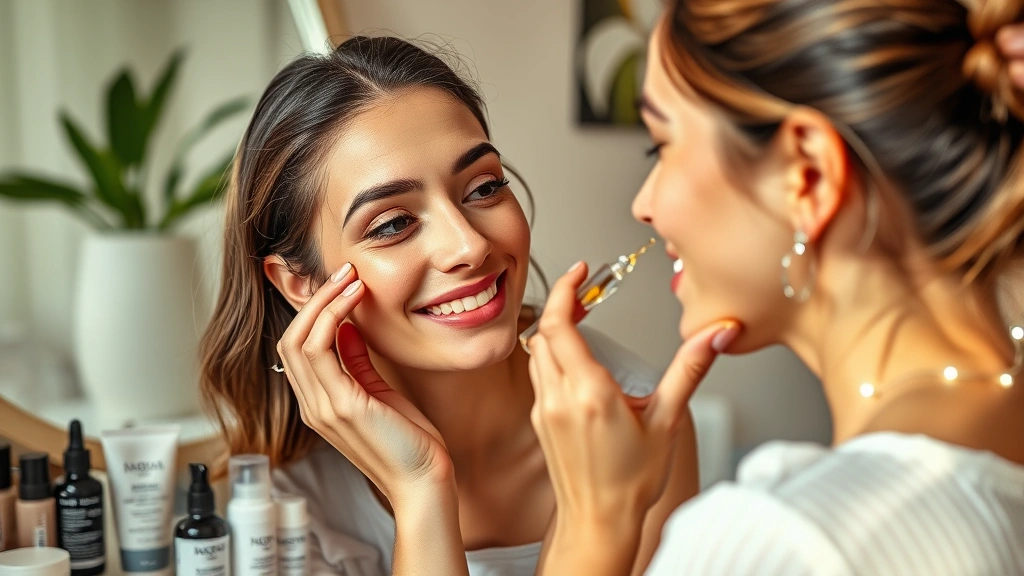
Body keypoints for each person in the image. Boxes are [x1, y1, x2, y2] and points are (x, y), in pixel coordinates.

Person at [526, 1, 1024, 574]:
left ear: (806, 174)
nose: (643, 205)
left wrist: (594, 521)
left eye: (660, 146)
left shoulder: (778, 541)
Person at [199, 36, 692, 576]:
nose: (470, 245)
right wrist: (420, 491)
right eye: (392, 224)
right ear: (300, 285)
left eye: (483, 188)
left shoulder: (638, 415)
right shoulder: (288, 500)